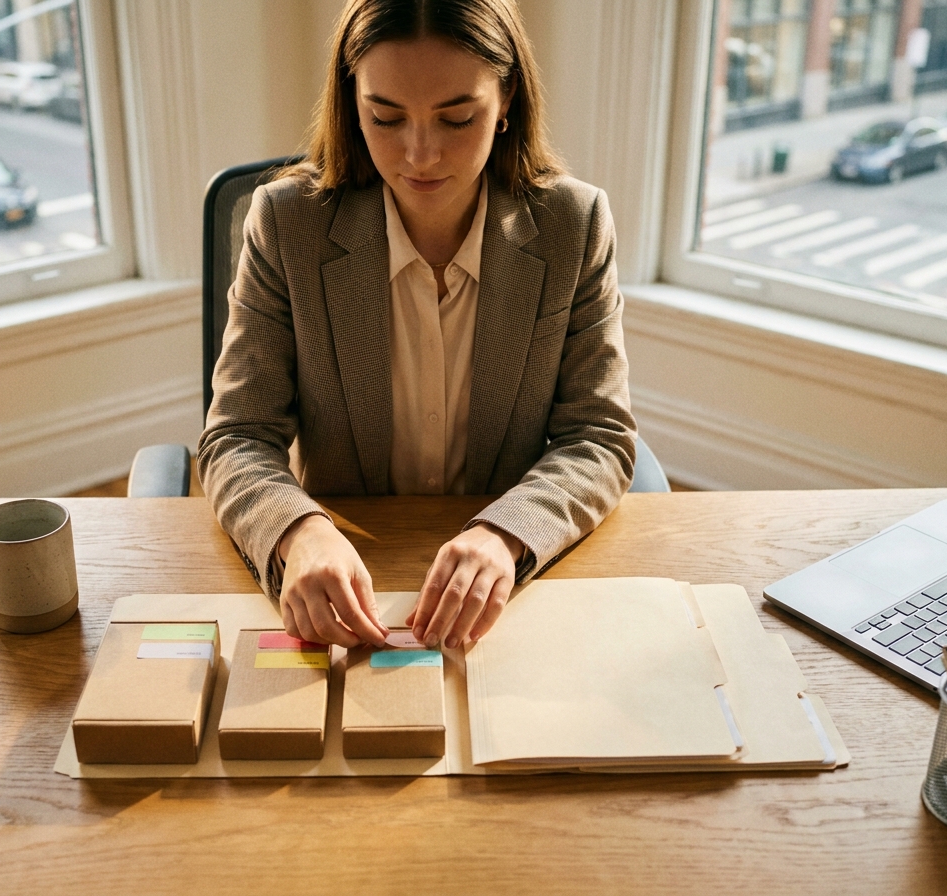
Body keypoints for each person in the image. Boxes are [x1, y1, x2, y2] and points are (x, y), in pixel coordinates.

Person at [198, 0, 636, 651]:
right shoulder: (287, 223)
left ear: (508, 97)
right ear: (352, 102)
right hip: (346, 575)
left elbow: (598, 435)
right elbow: (236, 435)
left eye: (458, 118)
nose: (420, 154)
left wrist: (505, 533)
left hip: (506, 592)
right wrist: (299, 532)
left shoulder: (574, 226)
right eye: (385, 117)